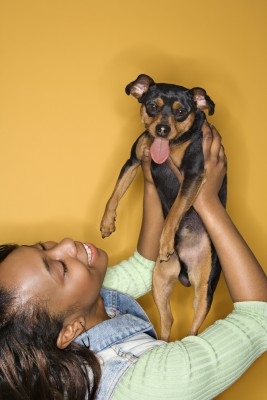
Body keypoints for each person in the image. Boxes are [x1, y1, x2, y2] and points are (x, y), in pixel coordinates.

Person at [0, 123, 266, 400]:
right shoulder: (151, 383)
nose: (66, 244)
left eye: (43, 247)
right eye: (61, 268)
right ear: (70, 330)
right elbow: (260, 318)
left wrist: (151, 182)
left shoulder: (72, 319)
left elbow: (146, 268)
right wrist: (207, 201)